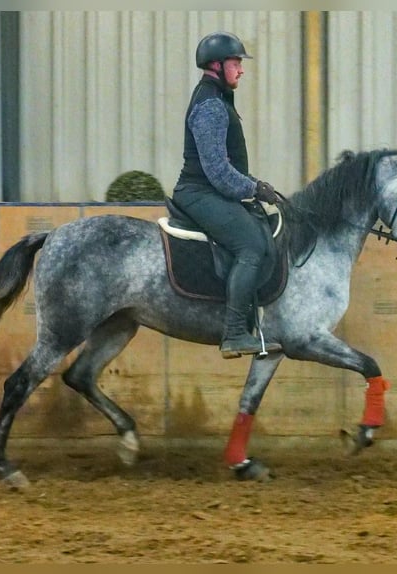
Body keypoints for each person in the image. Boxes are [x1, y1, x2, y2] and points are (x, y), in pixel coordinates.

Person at [172, 31, 282, 360]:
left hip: (209, 191)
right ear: (217, 65)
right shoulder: (210, 106)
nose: (241, 70)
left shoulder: (218, 99)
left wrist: (254, 185)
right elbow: (218, 171)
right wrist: (253, 188)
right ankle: (235, 333)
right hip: (198, 193)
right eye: (236, 63)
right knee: (251, 244)